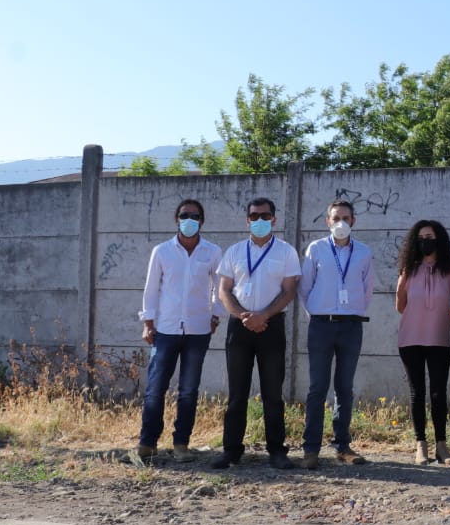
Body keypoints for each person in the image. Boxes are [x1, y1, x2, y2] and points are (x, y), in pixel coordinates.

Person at [213, 197, 301, 470]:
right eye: (254, 216)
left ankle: (276, 451)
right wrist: (244, 316)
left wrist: (264, 316)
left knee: (272, 392)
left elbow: (289, 291)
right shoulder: (235, 251)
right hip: (239, 327)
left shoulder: (286, 252)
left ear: (274, 219)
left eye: (265, 216)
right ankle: (231, 451)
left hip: (271, 326)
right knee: (237, 393)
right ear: (247, 220)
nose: (259, 221)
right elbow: (224, 290)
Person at [136, 199, 224, 463]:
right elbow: (151, 288)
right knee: (155, 388)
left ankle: (181, 444)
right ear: (177, 219)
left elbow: (219, 288)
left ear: (202, 221)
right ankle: (147, 443)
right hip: (165, 330)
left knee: (188, 390)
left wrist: (215, 317)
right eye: (184, 215)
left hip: (198, 330)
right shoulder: (162, 251)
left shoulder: (212, 252)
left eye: (195, 216)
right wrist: (147, 322)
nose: (189, 220)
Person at [299, 200, 376, 470]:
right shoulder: (316, 249)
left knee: (344, 387)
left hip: (351, 326)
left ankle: (342, 446)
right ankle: (311, 448)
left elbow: (367, 289)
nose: (341, 221)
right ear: (327, 222)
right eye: (336, 217)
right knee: (317, 387)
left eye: (346, 217)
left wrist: (350, 310)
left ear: (353, 221)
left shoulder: (363, 252)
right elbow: (305, 287)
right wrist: (319, 312)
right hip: (321, 325)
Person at [396, 219, 450, 465]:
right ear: (415, 241)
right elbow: (400, 306)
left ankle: (442, 446)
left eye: (430, 237)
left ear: (439, 240)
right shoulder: (408, 270)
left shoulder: (449, 270)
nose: (426, 242)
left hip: (439, 340)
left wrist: (446, 321)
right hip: (410, 339)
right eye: (422, 238)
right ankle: (420, 445)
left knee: (438, 393)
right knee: (417, 392)